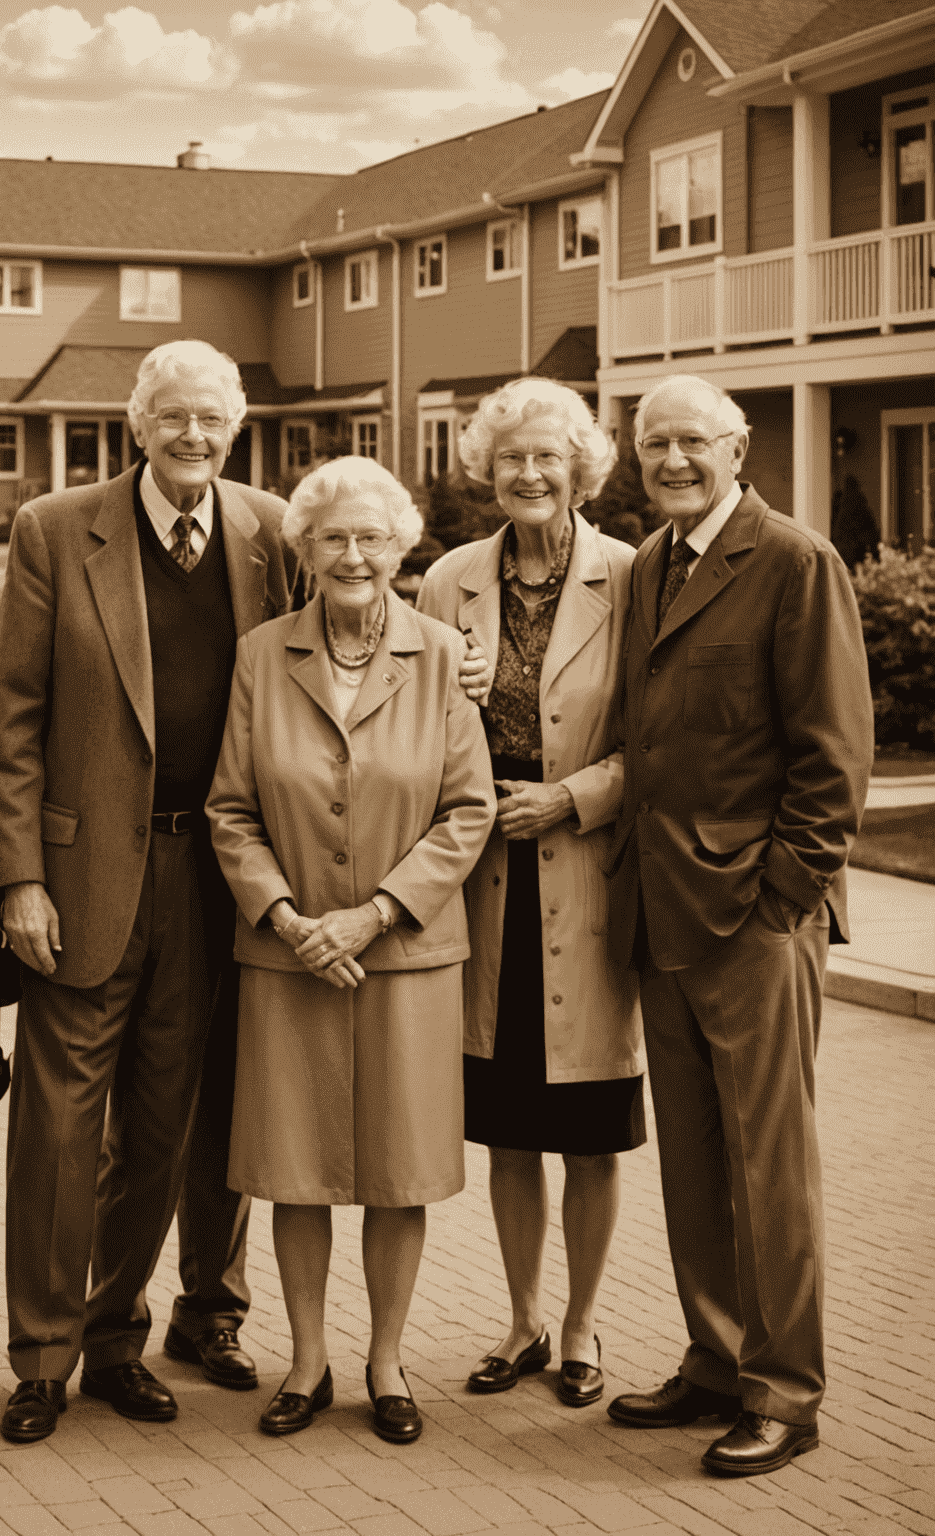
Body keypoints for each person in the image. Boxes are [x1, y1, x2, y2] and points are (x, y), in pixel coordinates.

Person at [0, 340, 296, 1444]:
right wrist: (17, 877)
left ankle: (116, 1335)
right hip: (83, 880)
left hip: (216, 876)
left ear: (236, 427)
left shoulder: (270, 532)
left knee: (164, 1127)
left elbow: (325, 663)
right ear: (138, 425)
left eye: (212, 419)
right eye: (175, 418)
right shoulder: (56, 530)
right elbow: (11, 719)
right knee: (61, 1128)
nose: (194, 437)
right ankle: (40, 1355)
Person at [602, 375, 873, 1476]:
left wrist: (783, 897)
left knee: (771, 1169)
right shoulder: (651, 565)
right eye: (655, 442)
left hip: (754, 918)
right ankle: (716, 1360)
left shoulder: (797, 562)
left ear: (738, 447)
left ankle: (786, 1390)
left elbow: (834, 756)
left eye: (693, 442)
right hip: (661, 915)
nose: (673, 459)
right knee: (696, 1162)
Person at [208, 456, 495, 1444]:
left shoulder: (442, 653)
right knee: (297, 1166)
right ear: (305, 550)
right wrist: (287, 917)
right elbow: (231, 810)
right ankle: (308, 1359)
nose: (355, 554)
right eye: (333, 536)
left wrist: (373, 914)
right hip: (287, 958)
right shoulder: (261, 656)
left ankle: (385, 1361)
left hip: (405, 957)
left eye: (372, 536)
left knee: (396, 1170)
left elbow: (469, 811)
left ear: (401, 546)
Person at [419, 379, 643, 1410]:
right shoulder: (448, 580)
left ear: (581, 468)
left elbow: (665, 744)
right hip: (484, 888)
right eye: (511, 458)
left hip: (586, 884)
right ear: (488, 471)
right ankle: (521, 1321)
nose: (530, 474)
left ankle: (587, 1327)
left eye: (548, 457)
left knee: (590, 1131)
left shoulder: (634, 582)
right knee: (509, 1126)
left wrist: (572, 798)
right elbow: (411, 730)